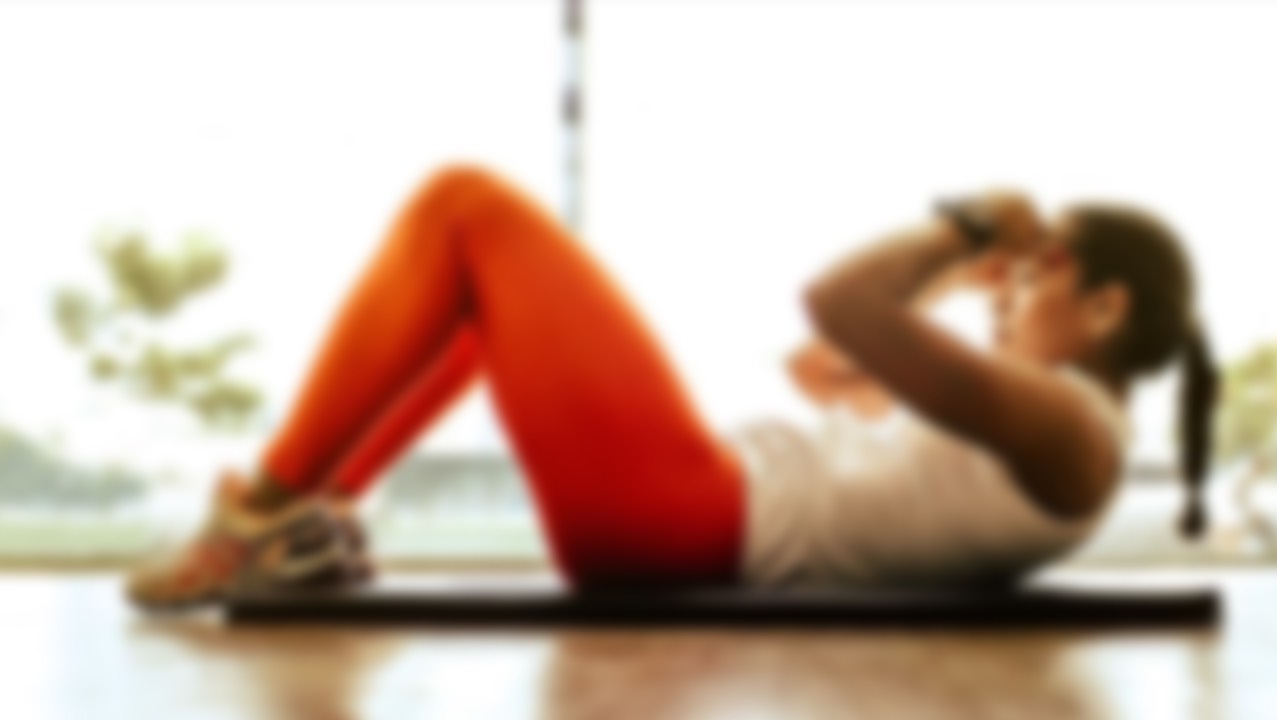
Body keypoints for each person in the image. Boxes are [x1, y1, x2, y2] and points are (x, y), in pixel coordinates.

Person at [126, 164, 1218, 608]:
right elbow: (824, 366)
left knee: (463, 209)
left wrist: (965, 224)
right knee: (473, 305)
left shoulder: (1072, 430)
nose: (1006, 291)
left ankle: (258, 515)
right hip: (694, 503)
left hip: (689, 513)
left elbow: (833, 300)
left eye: (1037, 271)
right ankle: (309, 518)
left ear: (1106, 309)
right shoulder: (1026, 430)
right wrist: (949, 273)